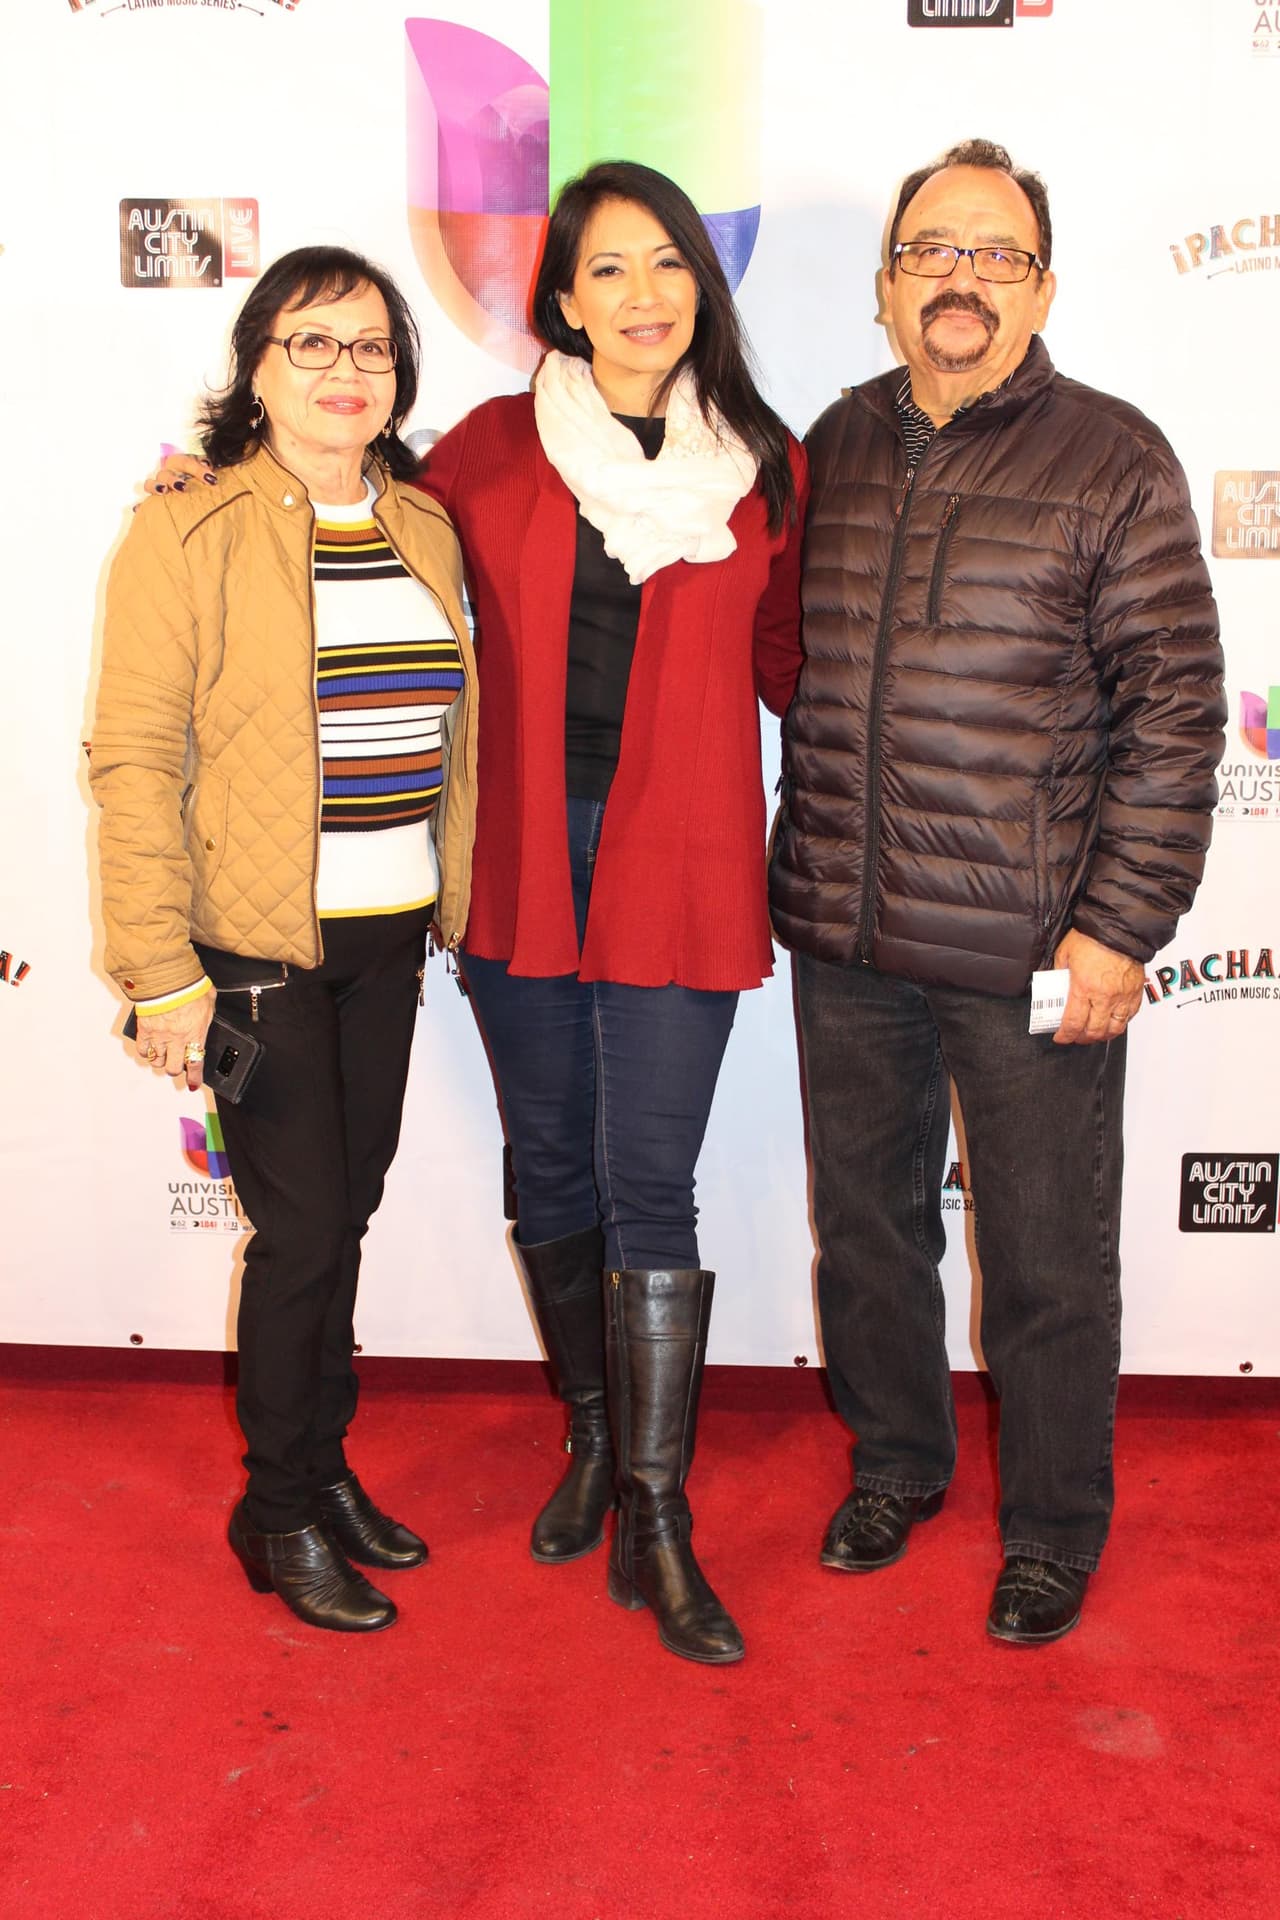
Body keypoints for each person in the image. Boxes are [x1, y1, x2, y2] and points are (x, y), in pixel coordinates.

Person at [769, 140, 1225, 1645]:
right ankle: (897, 1463)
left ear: (1042, 289)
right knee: (868, 1232)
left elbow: (1176, 714)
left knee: (1046, 1258)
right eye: (932, 250)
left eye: (995, 253)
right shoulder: (832, 441)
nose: (959, 277)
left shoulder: (1113, 457)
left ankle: (1053, 1527)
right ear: (888, 283)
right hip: (848, 932)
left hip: (1034, 948)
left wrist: (1119, 930)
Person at [419, 161, 807, 1665]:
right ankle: (592, 1434)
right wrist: (216, 478)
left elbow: (798, 663)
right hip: (524, 853)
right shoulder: (489, 450)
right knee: (550, 1162)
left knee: (653, 1178)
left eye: (668, 264)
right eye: (608, 271)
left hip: (683, 857)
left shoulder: (764, 467)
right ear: (564, 301)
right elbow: (352, 540)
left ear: (702, 284)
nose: (644, 295)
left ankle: (658, 1511)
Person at [91, 246, 478, 1635]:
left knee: (342, 1218)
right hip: (254, 951)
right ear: (257, 370)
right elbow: (135, 760)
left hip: (390, 937)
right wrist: (161, 975)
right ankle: (279, 1508)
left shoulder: (424, 524)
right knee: (303, 1232)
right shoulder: (186, 531)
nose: (344, 370)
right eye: (311, 343)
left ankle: (323, 1468)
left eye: (370, 346)